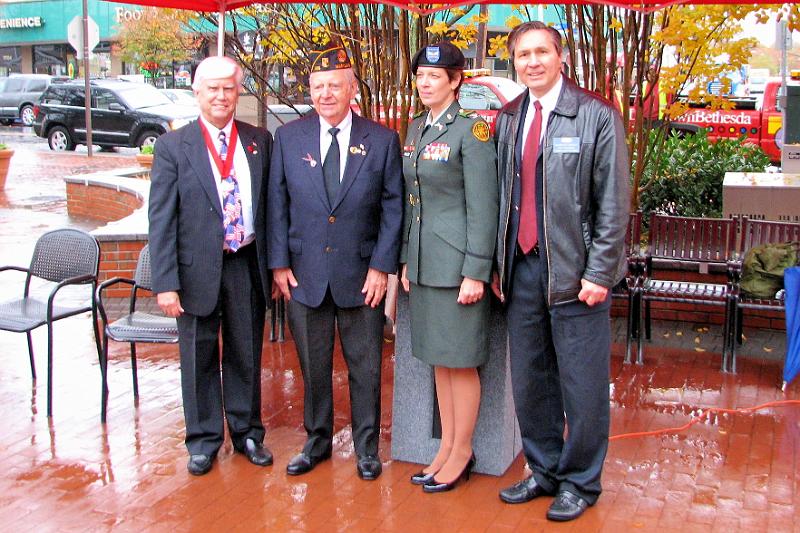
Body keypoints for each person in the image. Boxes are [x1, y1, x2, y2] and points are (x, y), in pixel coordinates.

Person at [491, 21, 630, 521]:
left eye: (541, 52)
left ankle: (581, 482)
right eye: (523, 54)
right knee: (531, 380)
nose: (532, 61)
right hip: (520, 269)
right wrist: (494, 266)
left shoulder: (595, 116)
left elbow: (613, 206)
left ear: (560, 57)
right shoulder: (508, 118)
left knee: (583, 386)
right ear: (514, 61)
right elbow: (501, 199)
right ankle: (544, 469)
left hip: (575, 274)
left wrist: (600, 271)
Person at [268, 41, 403, 481]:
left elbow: (393, 208)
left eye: (334, 85)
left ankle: (366, 447)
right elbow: (277, 204)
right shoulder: (288, 137)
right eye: (318, 86)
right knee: (312, 365)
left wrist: (382, 266)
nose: (325, 94)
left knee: (365, 367)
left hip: (362, 276)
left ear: (352, 90)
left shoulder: (381, 140)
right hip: (304, 274)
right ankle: (317, 440)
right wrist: (279, 263)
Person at [148, 56, 273, 476]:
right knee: (198, 355)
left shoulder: (259, 140)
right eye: (213, 89)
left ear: (239, 93)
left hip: (245, 263)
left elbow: (273, 208)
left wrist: (275, 267)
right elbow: (161, 219)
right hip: (194, 269)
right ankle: (202, 440)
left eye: (229, 89)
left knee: (246, 352)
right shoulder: (172, 146)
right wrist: (166, 283)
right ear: (197, 92)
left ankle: (247, 432)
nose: (221, 97)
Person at [399, 42, 498, 493]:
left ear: (456, 81)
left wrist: (477, 270)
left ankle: (462, 450)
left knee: (461, 363)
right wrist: (405, 258)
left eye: (434, 76)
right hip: (424, 263)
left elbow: (484, 206)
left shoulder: (471, 131)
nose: (424, 83)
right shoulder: (417, 128)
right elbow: (411, 202)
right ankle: (445, 447)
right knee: (439, 361)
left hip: (458, 266)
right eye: (420, 75)